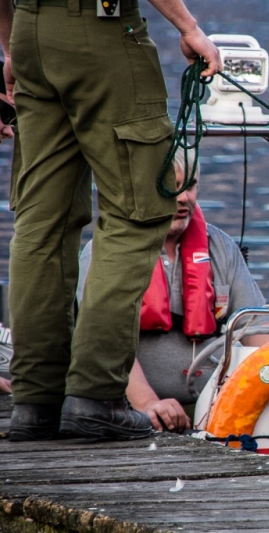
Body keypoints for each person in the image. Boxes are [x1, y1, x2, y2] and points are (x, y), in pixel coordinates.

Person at [2, 0, 221, 441]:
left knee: (42, 222)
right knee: (139, 213)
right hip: (100, 30)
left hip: (29, 34)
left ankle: (37, 401)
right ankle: (95, 395)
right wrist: (188, 27)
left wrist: (11, 44)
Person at [78, 150, 269, 433]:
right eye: (172, 187)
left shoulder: (221, 247)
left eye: (190, 186)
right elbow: (104, 341)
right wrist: (148, 404)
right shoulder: (107, 251)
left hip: (216, 408)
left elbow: (258, 330)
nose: (183, 197)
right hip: (131, 412)